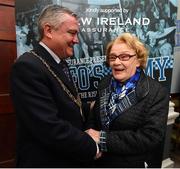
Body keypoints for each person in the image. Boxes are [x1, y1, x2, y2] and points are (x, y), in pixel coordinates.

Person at [10, 4, 100, 167]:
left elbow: (68, 106)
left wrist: (91, 107)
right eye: (72, 33)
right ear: (48, 30)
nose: (76, 40)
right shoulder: (27, 66)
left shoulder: (60, 62)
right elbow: (48, 126)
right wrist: (92, 147)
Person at [86, 32, 169, 168]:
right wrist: (92, 145)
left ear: (138, 61)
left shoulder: (157, 92)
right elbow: (94, 117)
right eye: (113, 57)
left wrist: (102, 139)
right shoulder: (104, 83)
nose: (116, 62)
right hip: (99, 161)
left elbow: (150, 137)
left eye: (124, 56)